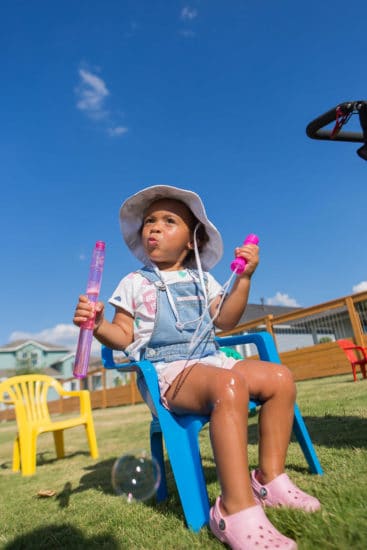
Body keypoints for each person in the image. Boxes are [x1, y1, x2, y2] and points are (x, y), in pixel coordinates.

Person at [73, 185, 320, 550]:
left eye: (169, 221)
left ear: (192, 241)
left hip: (210, 360)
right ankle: (234, 510)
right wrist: (97, 326)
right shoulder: (134, 283)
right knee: (228, 385)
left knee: (279, 378)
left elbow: (226, 321)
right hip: (166, 374)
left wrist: (245, 278)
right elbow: (123, 337)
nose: (154, 228)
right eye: (149, 222)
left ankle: (268, 478)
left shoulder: (203, 279)